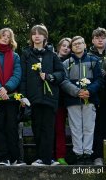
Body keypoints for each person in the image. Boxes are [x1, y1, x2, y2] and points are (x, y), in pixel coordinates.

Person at [20, 24, 65, 166]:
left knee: (49, 129)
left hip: (50, 98)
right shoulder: (26, 54)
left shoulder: (52, 55)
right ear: (31, 37)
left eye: (40, 33)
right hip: (33, 99)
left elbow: (61, 73)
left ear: (45, 36)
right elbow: (23, 78)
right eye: (34, 33)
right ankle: (40, 158)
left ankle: (48, 159)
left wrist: (50, 77)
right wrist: (23, 96)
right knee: (37, 128)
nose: (37, 36)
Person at [0, 28, 24, 166]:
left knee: (12, 128)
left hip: (11, 97)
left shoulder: (16, 56)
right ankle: (3, 158)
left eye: (9, 36)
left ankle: (15, 158)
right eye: (3, 35)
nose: (5, 38)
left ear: (11, 39)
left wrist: (6, 88)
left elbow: (17, 75)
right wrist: (0, 89)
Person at [62, 36, 102, 165]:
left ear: (85, 45)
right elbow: (64, 81)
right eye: (75, 44)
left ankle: (87, 154)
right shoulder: (66, 63)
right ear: (72, 48)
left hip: (90, 100)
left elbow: (99, 80)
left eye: (80, 43)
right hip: (73, 100)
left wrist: (89, 91)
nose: (77, 46)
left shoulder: (94, 61)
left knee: (89, 127)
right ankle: (79, 154)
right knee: (76, 128)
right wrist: (77, 91)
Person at [88, 27, 106, 166]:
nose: (100, 40)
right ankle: (97, 156)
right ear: (92, 40)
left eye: (103, 37)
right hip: (94, 96)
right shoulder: (87, 55)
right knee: (95, 127)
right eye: (97, 37)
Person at [54, 38, 71, 165]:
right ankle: (58, 156)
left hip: (71, 100)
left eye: (68, 46)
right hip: (57, 101)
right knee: (58, 129)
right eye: (64, 45)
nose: (66, 48)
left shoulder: (73, 61)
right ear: (59, 47)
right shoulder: (53, 60)